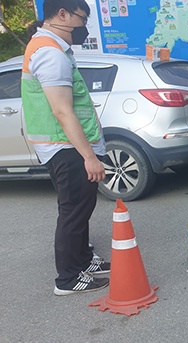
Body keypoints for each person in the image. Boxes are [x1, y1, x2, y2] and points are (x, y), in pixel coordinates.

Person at [21, 0, 110, 295]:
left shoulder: (50, 48)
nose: (83, 26)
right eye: (81, 18)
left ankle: (83, 260)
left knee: (80, 208)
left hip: (66, 145)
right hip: (66, 147)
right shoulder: (49, 52)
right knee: (73, 211)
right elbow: (62, 110)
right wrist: (89, 157)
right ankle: (68, 278)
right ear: (62, 14)